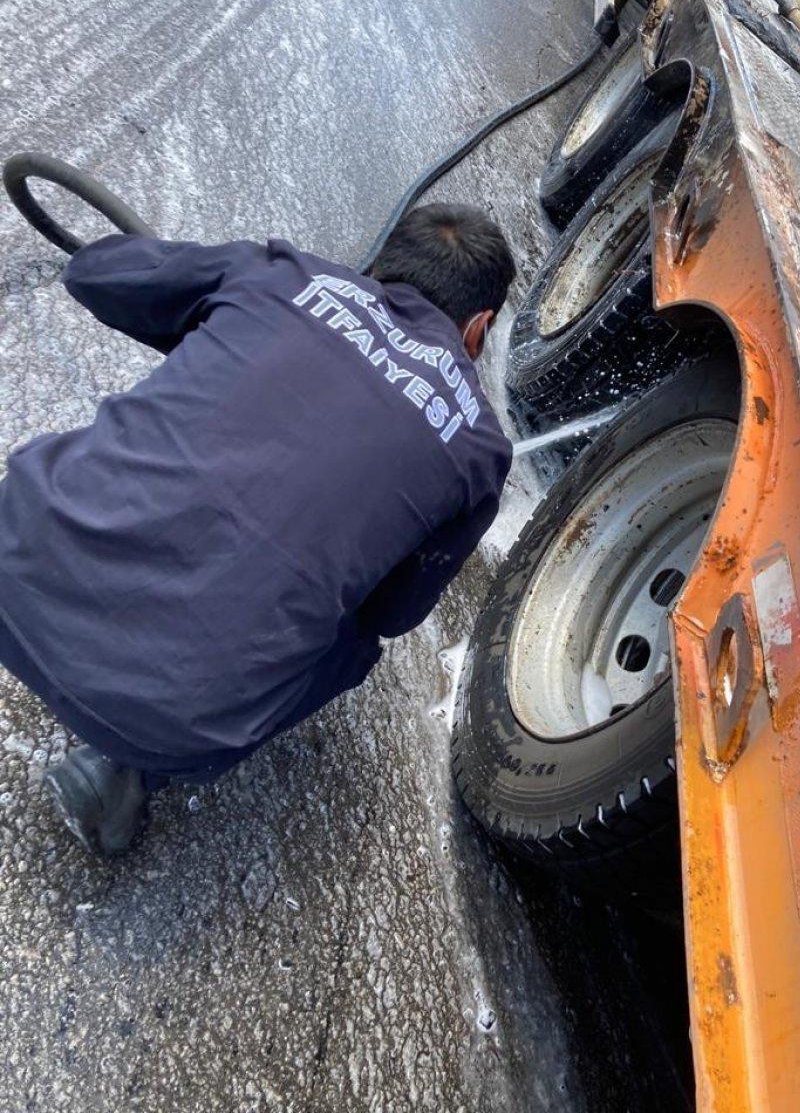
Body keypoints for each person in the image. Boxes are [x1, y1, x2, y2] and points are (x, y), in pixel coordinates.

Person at [0, 203, 515, 854]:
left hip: (14, 556)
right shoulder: (479, 451)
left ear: (382, 265)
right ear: (479, 327)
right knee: (353, 644)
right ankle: (127, 767)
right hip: (170, 722)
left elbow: (97, 275)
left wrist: (217, 321)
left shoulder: (287, 275)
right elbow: (393, 613)